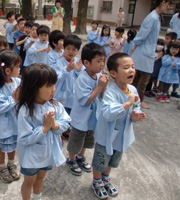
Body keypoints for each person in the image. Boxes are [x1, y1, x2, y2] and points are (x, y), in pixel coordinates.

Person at [91, 53, 146, 199]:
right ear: (114, 73)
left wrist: (135, 114)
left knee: (113, 159)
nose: (131, 70)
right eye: (126, 67)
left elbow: (136, 106)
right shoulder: (110, 92)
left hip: (121, 136)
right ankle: (97, 181)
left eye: (133, 67)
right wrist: (127, 104)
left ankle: (105, 179)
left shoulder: (133, 90)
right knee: (101, 160)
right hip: (107, 135)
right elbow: (108, 113)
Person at [17, 64, 71, 200]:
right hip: (31, 156)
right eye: (48, 86)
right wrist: (44, 128)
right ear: (33, 88)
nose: (53, 89)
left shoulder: (55, 105)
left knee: (41, 178)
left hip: (48, 153)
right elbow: (25, 139)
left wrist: (55, 124)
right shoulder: (25, 110)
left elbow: (66, 122)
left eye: (54, 84)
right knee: (29, 181)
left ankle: (37, 198)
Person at [66, 43, 108, 176]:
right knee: (77, 139)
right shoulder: (83, 79)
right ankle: (71, 159)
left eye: (103, 60)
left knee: (88, 139)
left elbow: (101, 97)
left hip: (92, 117)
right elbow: (86, 100)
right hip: (81, 117)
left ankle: (80, 156)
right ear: (86, 62)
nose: (102, 64)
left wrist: (104, 86)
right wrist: (99, 86)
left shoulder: (98, 75)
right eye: (98, 61)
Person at [0, 50, 21, 183]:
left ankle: (11, 164)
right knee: (2, 147)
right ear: (8, 70)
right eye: (18, 67)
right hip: (3, 125)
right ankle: (1, 166)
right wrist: (14, 100)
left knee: (12, 146)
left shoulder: (17, 81)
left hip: (15, 123)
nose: (20, 69)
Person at [131, 0, 171, 109]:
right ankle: (138, 100)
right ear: (162, 2)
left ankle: (133, 99)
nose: (168, 7)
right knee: (143, 79)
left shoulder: (155, 17)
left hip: (145, 51)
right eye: (167, 4)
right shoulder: (152, 17)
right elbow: (142, 34)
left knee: (137, 77)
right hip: (144, 52)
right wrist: (135, 46)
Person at [53, 34, 82, 115]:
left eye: (74, 49)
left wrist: (78, 71)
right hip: (62, 98)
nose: (71, 52)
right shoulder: (60, 62)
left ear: (78, 50)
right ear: (64, 48)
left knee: (71, 118)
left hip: (73, 98)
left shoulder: (78, 62)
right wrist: (67, 69)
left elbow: (81, 79)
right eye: (68, 49)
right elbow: (57, 78)